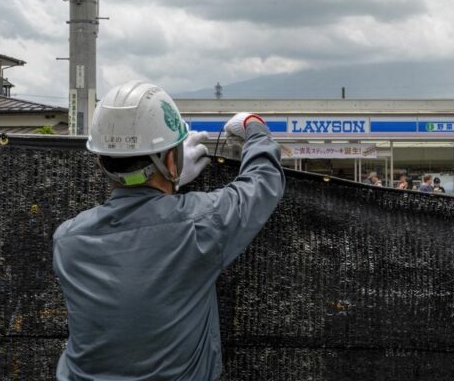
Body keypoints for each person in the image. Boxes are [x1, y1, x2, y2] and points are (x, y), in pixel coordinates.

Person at [52, 81, 285, 381]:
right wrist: (254, 128)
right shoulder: (200, 225)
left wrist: (167, 183)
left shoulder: (67, 241)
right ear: (172, 159)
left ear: (100, 161)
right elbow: (263, 183)